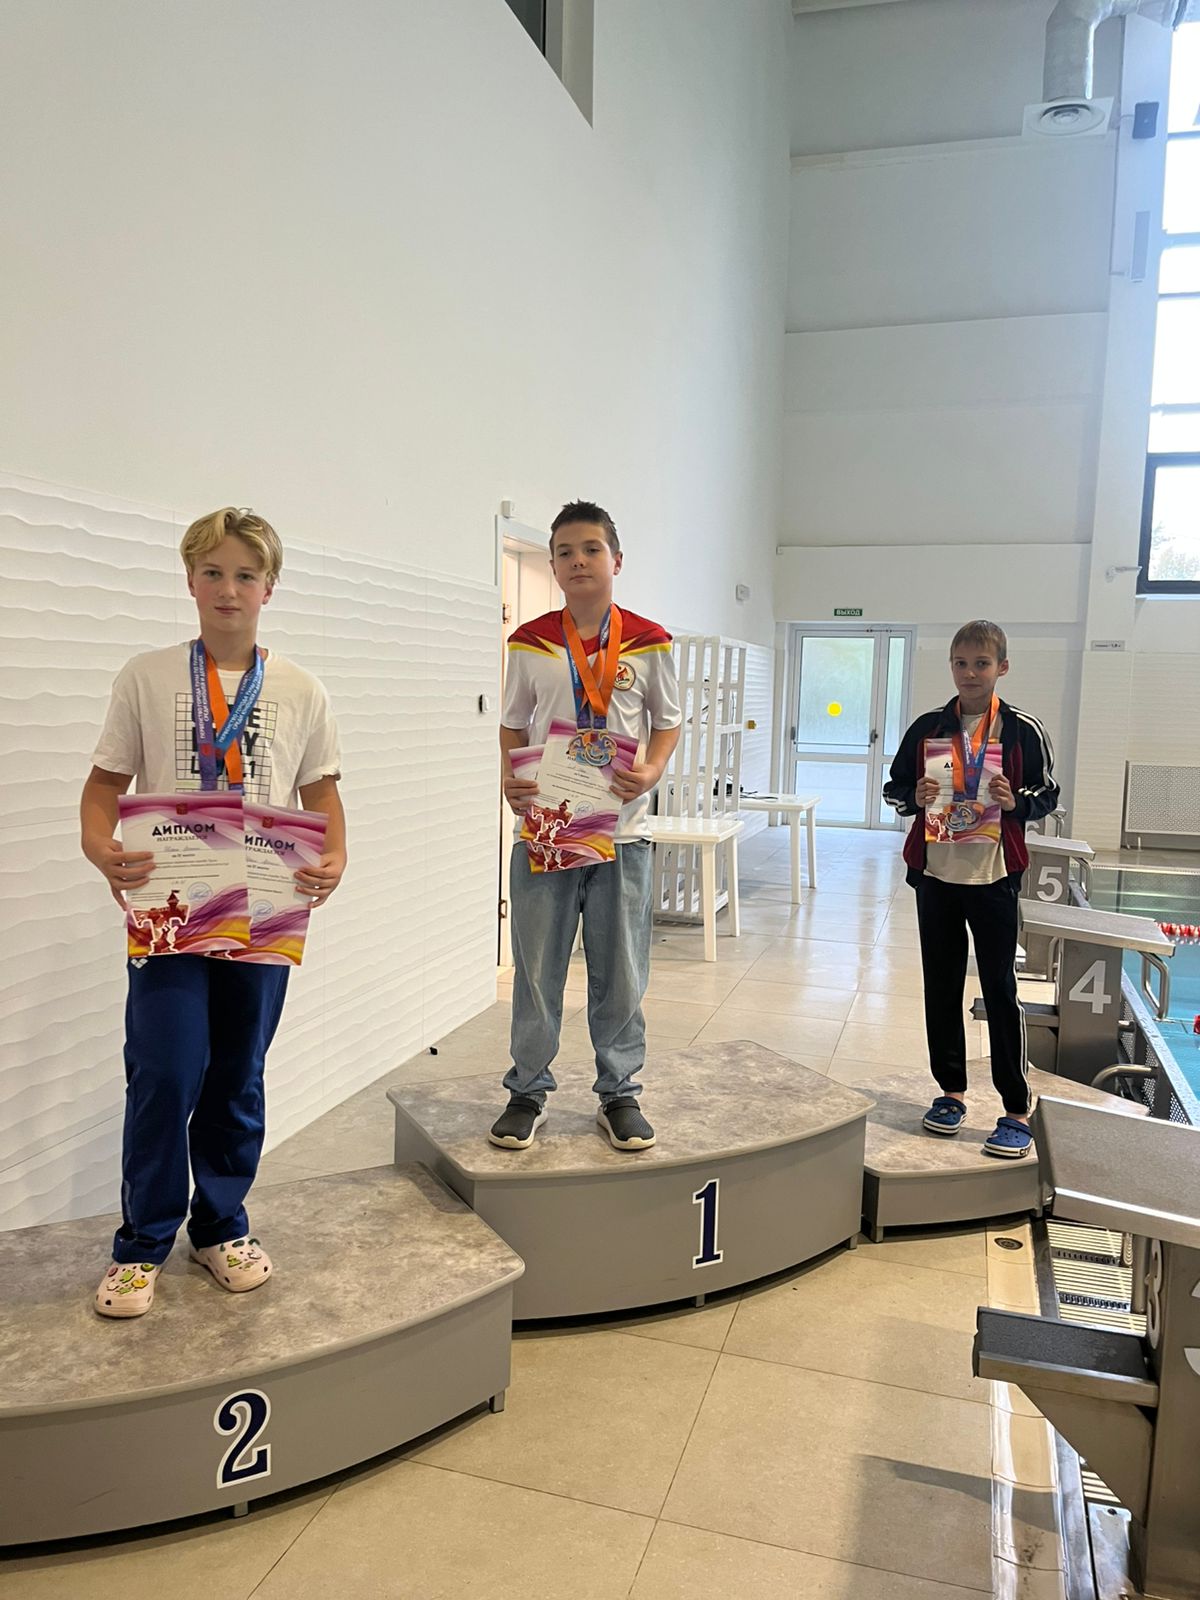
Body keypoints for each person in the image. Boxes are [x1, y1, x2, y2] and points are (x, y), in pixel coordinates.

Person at [81, 507, 346, 1317]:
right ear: (190, 580)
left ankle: (221, 1225)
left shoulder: (301, 689)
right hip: (171, 910)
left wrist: (335, 858)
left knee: (237, 1073)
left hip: (265, 911)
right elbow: (103, 787)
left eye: (245, 575)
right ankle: (142, 1243)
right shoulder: (146, 676)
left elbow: (322, 794)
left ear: (270, 586)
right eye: (213, 573)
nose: (229, 589)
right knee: (164, 1071)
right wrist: (99, 847)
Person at [493, 500, 681, 1152]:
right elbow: (512, 724)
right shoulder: (531, 641)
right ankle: (526, 1090)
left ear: (616, 560)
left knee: (622, 973)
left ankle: (619, 1092)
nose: (578, 561)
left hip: (622, 834)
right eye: (566, 552)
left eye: (591, 549)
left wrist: (651, 769)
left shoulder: (649, 641)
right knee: (536, 970)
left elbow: (667, 722)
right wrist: (510, 777)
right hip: (548, 831)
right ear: (552, 565)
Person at [884, 620, 1058, 1159]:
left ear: (1002, 667)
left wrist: (1015, 801)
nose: (970, 673)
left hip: (993, 876)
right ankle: (950, 1092)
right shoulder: (928, 727)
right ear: (952, 666)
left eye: (981, 664)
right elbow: (894, 788)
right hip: (937, 875)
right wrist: (913, 795)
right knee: (941, 985)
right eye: (961, 663)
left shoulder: (1021, 729)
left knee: (1000, 990)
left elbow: (1048, 793)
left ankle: (1016, 1108)